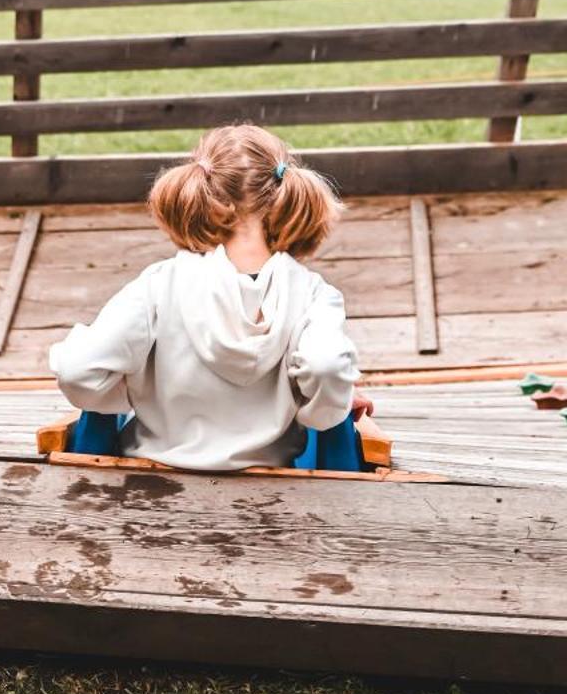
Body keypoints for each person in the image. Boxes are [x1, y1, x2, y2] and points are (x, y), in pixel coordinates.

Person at [48, 123, 361, 471]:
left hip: (148, 494)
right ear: (283, 193)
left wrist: (131, 391)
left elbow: (77, 371)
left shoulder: (158, 286)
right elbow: (327, 367)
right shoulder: (314, 295)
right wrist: (328, 404)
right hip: (270, 501)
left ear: (200, 191)